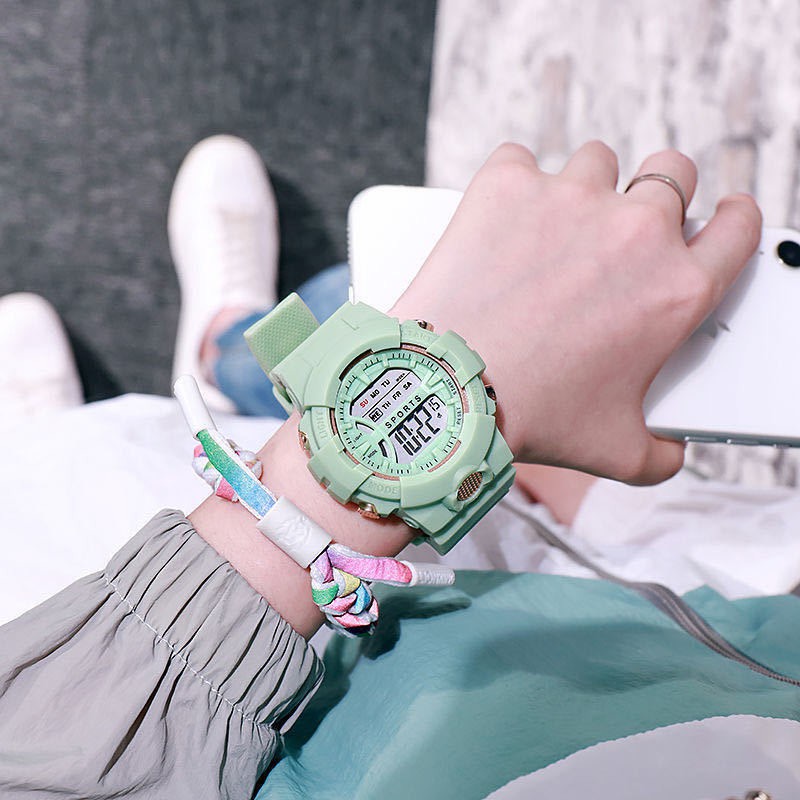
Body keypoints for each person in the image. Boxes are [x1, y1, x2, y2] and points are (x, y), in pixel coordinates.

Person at [0, 139, 770, 798]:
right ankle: (236, 351)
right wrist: (502, 407)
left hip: (207, 653)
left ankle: (108, 412)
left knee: (77, 490)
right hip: (661, 610)